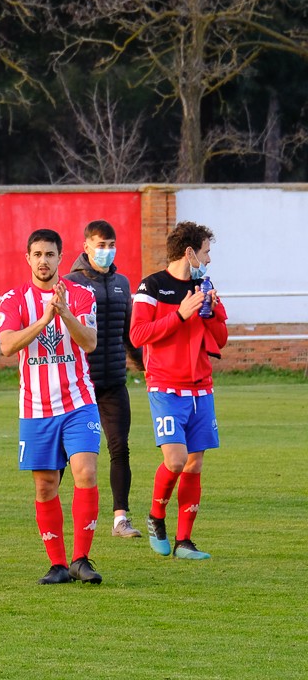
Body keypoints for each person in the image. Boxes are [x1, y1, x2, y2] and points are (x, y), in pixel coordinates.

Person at [0, 228, 102, 585]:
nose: (44, 261)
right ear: (28, 258)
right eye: (37, 254)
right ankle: (58, 564)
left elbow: (89, 343)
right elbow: (8, 347)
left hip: (78, 403)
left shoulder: (82, 294)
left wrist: (65, 314)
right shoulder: (14, 299)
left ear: (61, 258)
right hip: (36, 408)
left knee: (85, 473)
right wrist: (43, 320)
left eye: (50, 255)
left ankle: (81, 559)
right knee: (45, 487)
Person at [130, 221, 227, 561]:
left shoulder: (204, 285)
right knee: (175, 459)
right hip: (166, 387)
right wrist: (181, 316)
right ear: (190, 252)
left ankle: (185, 541)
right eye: (206, 252)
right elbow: (139, 335)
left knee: (195, 464)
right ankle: (157, 517)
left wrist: (212, 312)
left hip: (201, 389)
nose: (209, 260)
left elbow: (222, 338)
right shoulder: (151, 286)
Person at [64, 220, 145, 538]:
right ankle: (55, 512)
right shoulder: (70, 282)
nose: (106, 251)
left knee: (119, 447)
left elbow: (128, 332)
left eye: (111, 245)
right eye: (100, 245)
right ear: (86, 246)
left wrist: (143, 365)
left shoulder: (123, 283)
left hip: (113, 380)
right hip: (79, 383)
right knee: (68, 454)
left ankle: (120, 519)